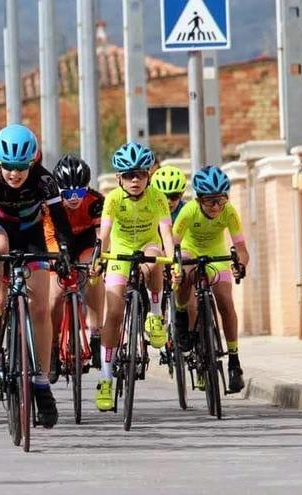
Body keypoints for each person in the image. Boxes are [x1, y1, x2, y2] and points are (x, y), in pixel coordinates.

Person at [0, 124, 72, 428]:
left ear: (32, 162)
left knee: (40, 308)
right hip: (1, 228)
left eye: (22, 166)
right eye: (8, 166)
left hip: (32, 234)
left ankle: (41, 384)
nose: (15, 173)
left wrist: (63, 251)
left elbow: (60, 220)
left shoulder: (44, 180)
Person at [93, 141, 177, 412]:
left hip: (148, 245)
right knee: (114, 313)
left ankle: (154, 314)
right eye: (129, 175)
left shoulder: (158, 198)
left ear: (148, 175)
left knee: (154, 259)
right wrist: (98, 259)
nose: (135, 180)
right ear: (119, 177)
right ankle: (106, 380)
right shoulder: (113, 199)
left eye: (140, 174)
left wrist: (173, 259)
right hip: (120, 252)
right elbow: (104, 235)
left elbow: (166, 232)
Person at [173, 166, 248, 392]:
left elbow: (241, 248)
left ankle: (234, 362)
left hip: (216, 255)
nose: (216, 207)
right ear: (198, 199)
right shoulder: (188, 212)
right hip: (190, 250)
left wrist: (240, 265)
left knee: (225, 300)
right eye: (209, 201)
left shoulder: (229, 212)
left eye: (221, 200)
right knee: (185, 273)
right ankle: (180, 312)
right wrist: (175, 266)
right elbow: (174, 244)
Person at [46, 154, 105, 377]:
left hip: (84, 241)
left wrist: (99, 260)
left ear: (87, 188)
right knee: (54, 297)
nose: (73, 198)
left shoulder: (95, 201)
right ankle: (52, 347)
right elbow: (48, 236)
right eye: (68, 194)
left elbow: (101, 236)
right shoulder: (51, 203)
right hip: (58, 240)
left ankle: (96, 333)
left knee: (93, 272)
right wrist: (56, 259)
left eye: (79, 192)